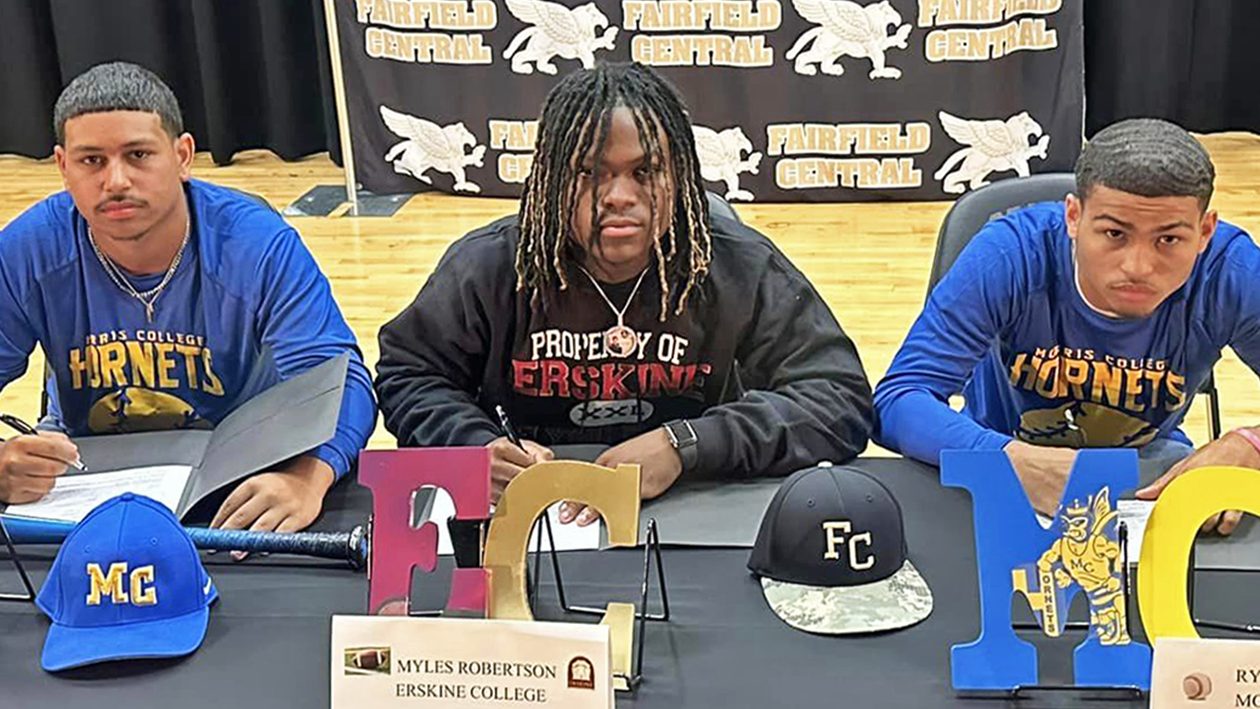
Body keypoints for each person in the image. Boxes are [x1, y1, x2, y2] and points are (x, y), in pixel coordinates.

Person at [375, 62, 872, 525]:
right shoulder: (490, 267)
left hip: (690, 504)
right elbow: (409, 374)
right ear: (550, 178)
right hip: (531, 515)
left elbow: (837, 397)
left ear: (678, 176)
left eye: (645, 172)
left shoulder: (736, 265)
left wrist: (687, 445)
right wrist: (474, 446)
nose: (618, 196)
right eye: (589, 173)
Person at [0, 62, 375, 536]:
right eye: (91, 161)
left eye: (138, 155)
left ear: (182, 156)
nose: (116, 181)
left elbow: (341, 380)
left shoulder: (256, 243)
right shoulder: (27, 249)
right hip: (88, 476)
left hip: (238, 472)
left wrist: (306, 478)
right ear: (62, 166)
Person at [874, 118, 1260, 534]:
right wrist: (1006, 459)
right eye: (1114, 233)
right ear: (1073, 216)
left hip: (1146, 467)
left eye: (1168, 240)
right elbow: (898, 399)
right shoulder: (1010, 254)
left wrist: (1250, 444)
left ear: (1205, 232)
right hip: (998, 454)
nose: (1138, 266)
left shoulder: (1232, 271)